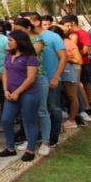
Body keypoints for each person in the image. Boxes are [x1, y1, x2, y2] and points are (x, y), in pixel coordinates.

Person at [0, 30, 42, 162]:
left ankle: (30, 150)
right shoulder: (8, 55)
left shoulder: (30, 57)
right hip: (11, 93)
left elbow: (30, 78)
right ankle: (10, 148)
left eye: (11, 40)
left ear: (19, 41)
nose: (8, 42)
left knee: (29, 121)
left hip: (29, 94)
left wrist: (17, 92)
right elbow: (5, 73)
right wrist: (5, 90)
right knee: (6, 120)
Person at [27, 12, 67, 154]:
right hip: (34, 79)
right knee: (36, 109)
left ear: (36, 22)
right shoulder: (27, 37)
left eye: (27, 21)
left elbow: (63, 58)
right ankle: (38, 135)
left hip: (51, 77)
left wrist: (56, 76)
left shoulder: (52, 37)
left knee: (53, 107)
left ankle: (53, 136)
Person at [51, 25, 83, 131]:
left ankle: (72, 119)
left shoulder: (68, 43)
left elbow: (79, 60)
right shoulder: (54, 43)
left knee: (71, 95)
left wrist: (65, 58)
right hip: (57, 71)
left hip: (67, 71)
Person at [62, 14, 91, 119]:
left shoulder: (79, 34)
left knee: (79, 85)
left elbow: (85, 49)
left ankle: (87, 105)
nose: (68, 27)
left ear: (73, 23)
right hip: (73, 63)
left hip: (79, 63)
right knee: (76, 85)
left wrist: (75, 56)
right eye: (66, 25)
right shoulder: (66, 35)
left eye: (69, 25)